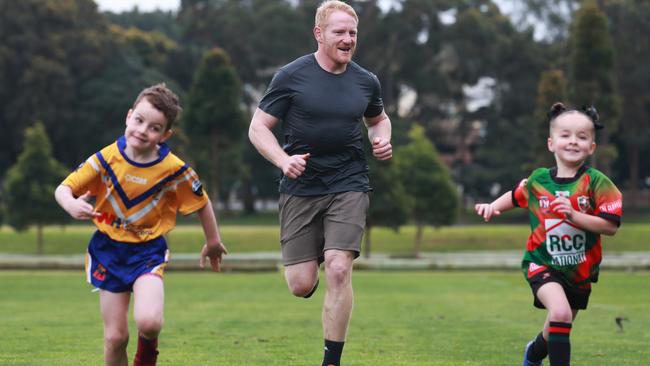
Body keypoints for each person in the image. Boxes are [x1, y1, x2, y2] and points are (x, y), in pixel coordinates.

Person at [248, 1, 392, 365]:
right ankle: (313, 263)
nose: (347, 39)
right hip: (301, 187)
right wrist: (283, 159)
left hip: (349, 181)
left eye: (352, 33)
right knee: (301, 284)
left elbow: (378, 119)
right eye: (339, 32)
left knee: (340, 268)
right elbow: (258, 128)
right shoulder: (291, 76)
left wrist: (381, 138)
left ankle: (331, 361)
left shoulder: (365, 80)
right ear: (319, 34)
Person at [54, 83, 228, 366]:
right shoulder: (106, 158)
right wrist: (71, 203)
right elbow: (63, 188)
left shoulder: (173, 169)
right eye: (139, 120)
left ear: (165, 134)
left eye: (154, 127)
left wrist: (213, 242)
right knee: (115, 338)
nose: (142, 130)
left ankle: (146, 356)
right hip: (107, 252)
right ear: (129, 115)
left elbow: (202, 201)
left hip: (148, 253)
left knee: (149, 322)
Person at [475, 103, 622, 366]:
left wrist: (574, 215)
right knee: (561, 313)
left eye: (582, 137)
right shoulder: (539, 180)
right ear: (551, 143)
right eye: (565, 135)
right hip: (540, 262)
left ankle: (533, 353)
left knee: (556, 326)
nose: (573, 142)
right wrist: (492, 207)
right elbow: (516, 196)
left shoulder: (597, 183)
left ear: (592, 147)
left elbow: (610, 226)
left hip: (579, 271)